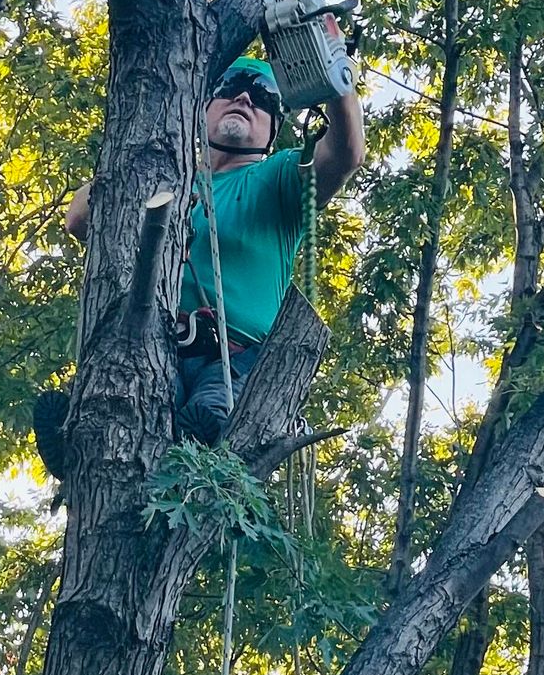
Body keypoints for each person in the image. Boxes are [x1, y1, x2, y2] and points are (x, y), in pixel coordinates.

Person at [35, 53, 365, 480]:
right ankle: (82, 437)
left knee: (210, 415)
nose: (244, 98)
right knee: (124, 409)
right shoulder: (165, 182)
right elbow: (79, 219)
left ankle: (199, 443)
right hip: (155, 343)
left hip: (235, 357)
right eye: (230, 88)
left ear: (273, 129)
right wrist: (134, 165)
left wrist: (333, 68)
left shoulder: (278, 177)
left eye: (262, 96)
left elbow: (345, 153)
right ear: (200, 109)